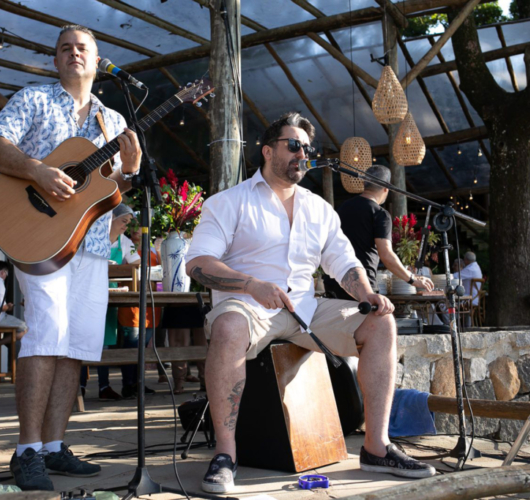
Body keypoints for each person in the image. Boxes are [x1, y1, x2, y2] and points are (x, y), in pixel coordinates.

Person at [185, 112, 436, 494]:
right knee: (228, 326)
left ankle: (376, 447)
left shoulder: (318, 207)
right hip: (247, 307)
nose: (303, 153)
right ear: (268, 151)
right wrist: (251, 284)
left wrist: (366, 294)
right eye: (294, 145)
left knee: (379, 323)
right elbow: (198, 263)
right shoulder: (229, 202)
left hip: (305, 309)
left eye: (307, 147)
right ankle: (225, 455)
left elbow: (343, 261)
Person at [0, 24, 141, 491]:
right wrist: (38, 170)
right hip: (38, 235)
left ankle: (54, 446)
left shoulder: (112, 119)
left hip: (90, 243)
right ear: (55, 60)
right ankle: (26, 449)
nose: (74, 54)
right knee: (46, 334)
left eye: (83, 48)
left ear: (97, 62)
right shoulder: (33, 98)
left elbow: (110, 190)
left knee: (78, 345)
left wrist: (129, 172)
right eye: (65, 48)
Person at [323, 165, 433, 299]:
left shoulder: (343, 208)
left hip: (334, 281)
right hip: (361, 285)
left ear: (364, 183)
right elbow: (386, 254)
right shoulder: (380, 214)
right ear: (386, 188)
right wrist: (411, 279)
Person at [79, 203, 134, 401]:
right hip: (88, 293)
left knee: (106, 341)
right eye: (123, 221)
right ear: (111, 218)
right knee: (83, 338)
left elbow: (137, 263)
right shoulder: (94, 237)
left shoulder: (125, 242)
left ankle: (104, 387)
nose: (126, 226)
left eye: (128, 223)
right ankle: (80, 387)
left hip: (111, 295)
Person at [118, 224, 160, 398]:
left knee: (143, 345)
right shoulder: (125, 246)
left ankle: (139, 382)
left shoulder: (154, 249)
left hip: (151, 302)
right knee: (131, 345)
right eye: (133, 226)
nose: (136, 230)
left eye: (140, 226)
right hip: (132, 301)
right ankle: (128, 384)